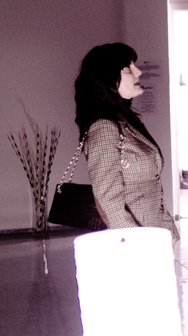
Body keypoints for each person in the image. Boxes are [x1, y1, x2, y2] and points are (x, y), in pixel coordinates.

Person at [74, 43, 179, 246]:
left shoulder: (127, 122)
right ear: (106, 79)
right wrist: (137, 243)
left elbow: (153, 188)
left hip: (153, 235)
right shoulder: (104, 127)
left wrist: (168, 232)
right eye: (128, 68)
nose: (138, 72)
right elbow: (108, 199)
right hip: (131, 244)